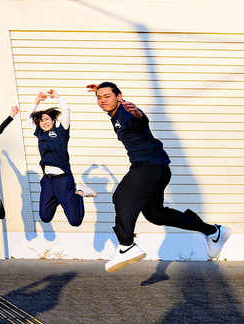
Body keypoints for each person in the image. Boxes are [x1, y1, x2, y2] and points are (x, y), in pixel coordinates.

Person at [88, 81, 231, 272]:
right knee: (155, 214)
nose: (102, 100)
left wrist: (137, 113)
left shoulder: (127, 112)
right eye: (99, 97)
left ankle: (126, 246)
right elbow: (116, 104)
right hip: (158, 168)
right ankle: (213, 231)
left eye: (107, 96)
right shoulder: (115, 115)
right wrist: (103, 89)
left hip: (149, 166)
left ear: (119, 97)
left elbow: (139, 119)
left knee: (121, 196)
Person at [26, 89, 96, 229]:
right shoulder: (40, 133)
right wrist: (37, 100)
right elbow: (28, 116)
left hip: (63, 179)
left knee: (75, 221)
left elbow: (66, 109)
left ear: (53, 120)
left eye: (46, 119)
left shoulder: (61, 131)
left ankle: (79, 192)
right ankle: (61, 196)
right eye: (41, 121)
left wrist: (57, 96)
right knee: (45, 217)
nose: (44, 122)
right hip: (47, 181)